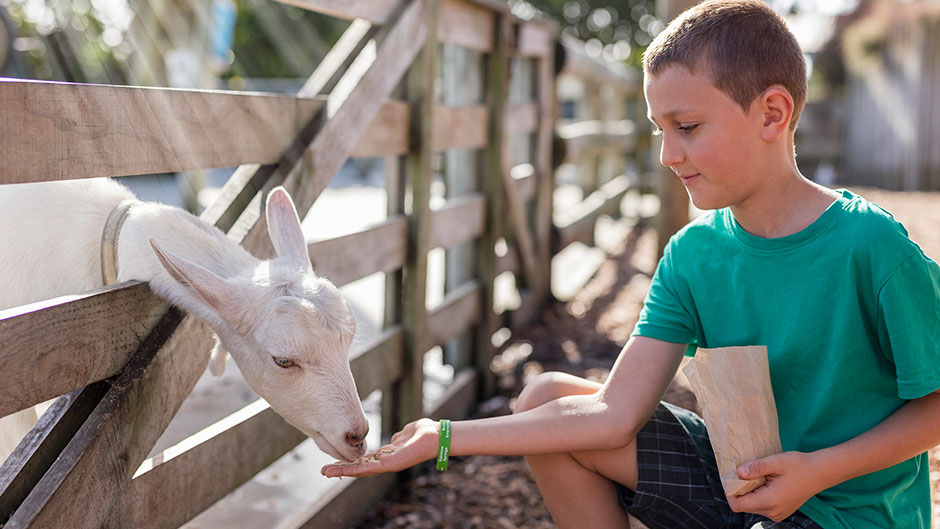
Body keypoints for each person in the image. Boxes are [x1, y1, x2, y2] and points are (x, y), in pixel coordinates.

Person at [322, 1, 940, 527]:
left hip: (846, 512)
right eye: (659, 130)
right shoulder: (694, 253)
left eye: (688, 126)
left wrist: (816, 471)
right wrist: (444, 437)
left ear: (772, 115)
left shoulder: (873, 247)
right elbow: (613, 415)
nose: (669, 154)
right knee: (546, 395)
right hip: (744, 479)